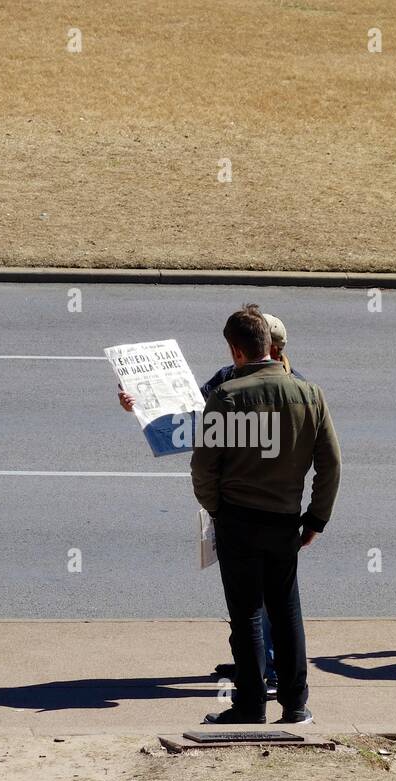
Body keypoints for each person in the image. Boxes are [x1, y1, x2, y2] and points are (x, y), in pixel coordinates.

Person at [118, 313, 302, 696]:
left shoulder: (288, 388)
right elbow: (188, 413)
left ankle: (267, 674)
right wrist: (140, 404)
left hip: (253, 507)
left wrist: (215, 501)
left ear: (269, 346)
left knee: (264, 601)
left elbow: (207, 446)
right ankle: (255, 663)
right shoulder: (230, 379)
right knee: (251, 598)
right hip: (258, 507)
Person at [191, 304, 340, 724]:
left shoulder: (226, 397)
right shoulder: (309, 394)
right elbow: (330, 463)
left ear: (236, 352)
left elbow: (204, 467)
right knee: (286, 611)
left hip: (238, 518)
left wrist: (216, 508)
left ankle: (250, 704)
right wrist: (315, 519)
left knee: (247, 614)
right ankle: (296, 705)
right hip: (284, 519)